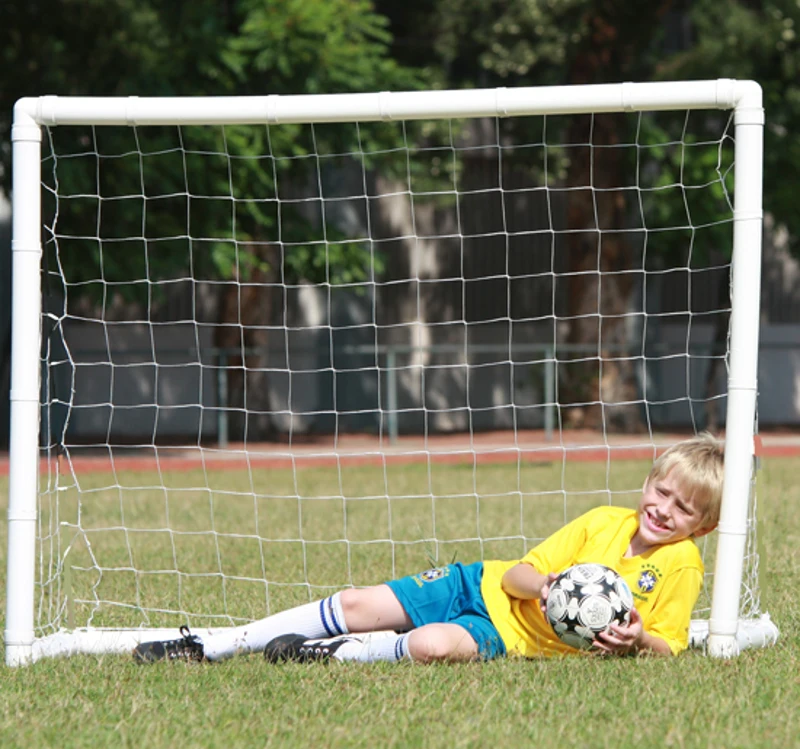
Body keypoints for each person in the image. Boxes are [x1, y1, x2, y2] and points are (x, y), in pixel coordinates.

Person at [133, 433, 723, 664]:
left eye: (683, 508)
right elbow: (519, 574)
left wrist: (635, 640)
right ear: (647, 482)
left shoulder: (681, 566)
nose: (663, 510)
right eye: (661, 492)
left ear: (702, 526)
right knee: (358, 602)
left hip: (510, 638)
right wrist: (545, 588)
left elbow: (669, 643)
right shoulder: (603, 521)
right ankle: (213, 644)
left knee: (431, 645)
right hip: (479, 584)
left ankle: (331, 654)